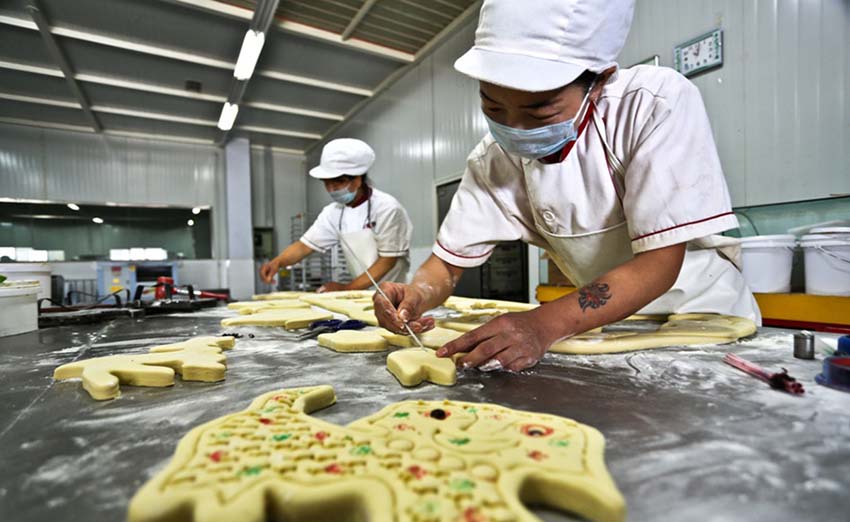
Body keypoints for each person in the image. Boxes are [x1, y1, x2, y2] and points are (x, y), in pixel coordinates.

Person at [374, 0, 760, 371]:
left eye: (539, 109)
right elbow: (446, 263)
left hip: (703, 317)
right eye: (492, 107)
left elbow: (659, 264)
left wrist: (542, 325)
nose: (514, 126)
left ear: (599, 82)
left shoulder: (652, 105)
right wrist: (418, 293)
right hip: (597, 325)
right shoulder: (493, 160)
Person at [260, 138, 413, 292]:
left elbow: (387, 261)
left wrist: (347, 288)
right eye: (326, 182)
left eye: (339, 181)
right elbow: (304, 246)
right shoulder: (333, 212)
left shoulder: (387, 208)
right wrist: (277, 263)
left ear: (358, 179)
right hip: (360, 294)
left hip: (394, 293)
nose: (331, 189)